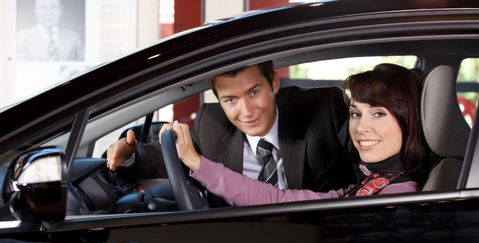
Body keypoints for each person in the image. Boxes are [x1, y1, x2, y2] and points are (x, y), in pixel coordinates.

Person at [170, 63, 430, 206]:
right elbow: (277, 199)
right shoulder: (369, 186)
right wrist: (197, 163)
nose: (360, 129)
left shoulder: (396, 199)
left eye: (378, 113)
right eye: (355, 113)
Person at [106, 61, 356, 207]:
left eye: (254, 93)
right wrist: (130, 154)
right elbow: (164, 156)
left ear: (274, 84)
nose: (246, 111)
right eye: (231, 100)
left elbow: (372, 151)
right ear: (219, 101)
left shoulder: (323, 110)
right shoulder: (211, 124)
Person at [16, 0, 84, 61]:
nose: (49, 13)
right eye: (43, 8)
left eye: (53, 7)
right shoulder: (22, 37)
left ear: (60, 10)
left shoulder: (74, 37)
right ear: (35, 12)